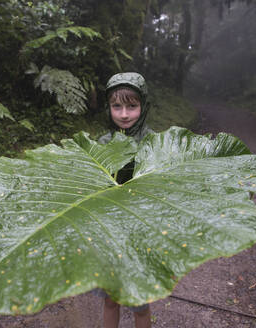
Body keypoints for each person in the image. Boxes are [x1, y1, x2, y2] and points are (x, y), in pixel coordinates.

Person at [96, 72, 153, 328]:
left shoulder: (154, 143)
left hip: (140, 232)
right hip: (109, 233)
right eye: (116, 106)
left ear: (143, 106)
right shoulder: (102, 143)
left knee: (140, 302)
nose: (124, 114)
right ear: (107, 107)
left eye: (132, 106)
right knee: (110, 299)